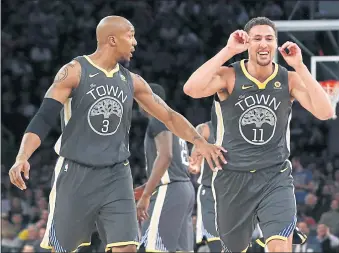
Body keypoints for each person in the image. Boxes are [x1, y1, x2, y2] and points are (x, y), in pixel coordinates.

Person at [8, 16, 226, 253]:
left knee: (127, 247)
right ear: (112, 39)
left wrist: (200, 142)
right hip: (75, 172)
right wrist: (22, 156)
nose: (135, 42)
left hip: (117, 174)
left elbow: (169, 116)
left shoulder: (132, 81)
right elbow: (44, 117)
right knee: (63, 248)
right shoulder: (74, 71)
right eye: (130, 35)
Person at [184, 16, 333, 252]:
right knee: (235, 248)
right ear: (247, 43)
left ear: (276, 44)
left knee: (279, 246)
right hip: (232, 176)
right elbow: (191, 89)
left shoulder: (289, 78)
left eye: (269, 38)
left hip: (275, 175)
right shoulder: (229, 75)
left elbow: (325, 112)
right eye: (257, 39)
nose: (263, 44)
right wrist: (228, 50)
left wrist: (300, 66)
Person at [136, 83, 195, 252]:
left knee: (153, 247)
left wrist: (146, 195)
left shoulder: (158, 119)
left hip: (170, 189)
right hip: (184, 188)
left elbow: (166, 155)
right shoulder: (174, 120)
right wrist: (143, 190)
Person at [189, 107, 221, 252]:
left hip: (235, 192)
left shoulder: (241, 129)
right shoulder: (206, 128)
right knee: (215, 242)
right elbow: (194, 163)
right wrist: (196, 157)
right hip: (210, 192)